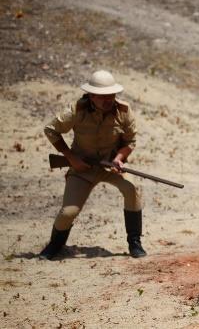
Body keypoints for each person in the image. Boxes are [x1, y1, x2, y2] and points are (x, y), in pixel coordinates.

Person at [39, 70, 147, 259]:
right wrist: (71, 157)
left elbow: (131, 142)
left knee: (132, 189)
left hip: (110, 167)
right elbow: (51, 130)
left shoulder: (123, 111)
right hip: (83, 168)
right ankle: (55, 245)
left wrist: (119, 158)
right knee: (68, 212)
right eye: (103, 96)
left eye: (111, 95)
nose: (108, 100)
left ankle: (135, 243)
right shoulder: (76, 110)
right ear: (91, 96)